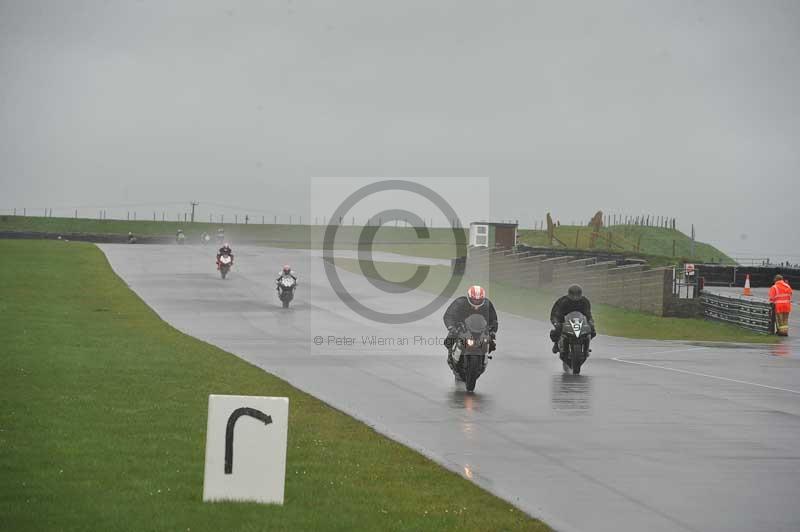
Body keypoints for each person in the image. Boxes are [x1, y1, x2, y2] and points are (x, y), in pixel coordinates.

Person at [443, 285, 498, 373]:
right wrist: (452, 327)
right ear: (469, 297)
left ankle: (484, 358)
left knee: (491, 343)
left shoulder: (487, 305)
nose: (476, 302)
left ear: (483, 299)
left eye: (478, 300)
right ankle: (451, 355)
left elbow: (493, 320)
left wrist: (492, 331)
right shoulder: (460, 302)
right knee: (449, 340)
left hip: (480, 329)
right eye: (474, 299)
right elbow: (449, 315)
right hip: (461, 327)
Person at [550, 284, 596, 354]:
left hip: (579, 321)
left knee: (592, 331)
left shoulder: (584, 301)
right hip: (563, 320)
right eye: (573, 295)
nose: (575, 297)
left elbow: (588, 313)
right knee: (556, 331)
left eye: (577, 295)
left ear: (581, 294)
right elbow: (555, 313)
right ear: (569, 294)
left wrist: (590, 321)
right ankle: (556, 344)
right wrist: (556, 322)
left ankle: (585, 345)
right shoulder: (563, 301)